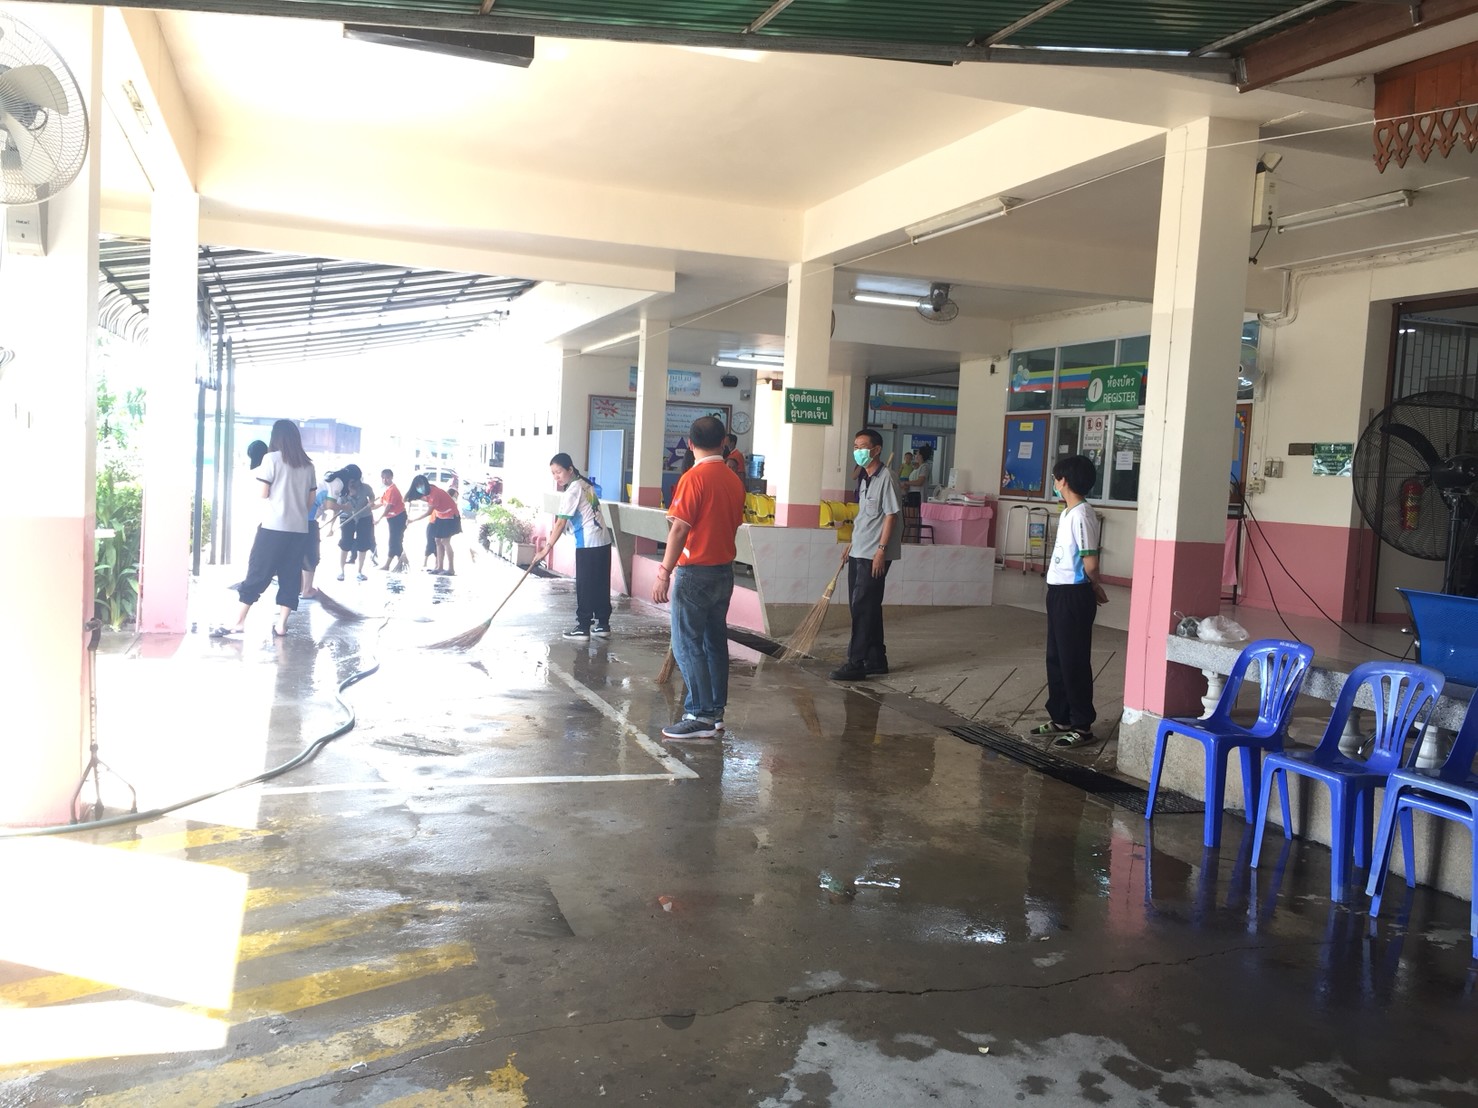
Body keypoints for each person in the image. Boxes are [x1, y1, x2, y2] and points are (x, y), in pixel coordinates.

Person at [652, 415, 745, 741]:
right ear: (723, 443)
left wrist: (664, 572)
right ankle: (715, 713)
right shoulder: (733, 480)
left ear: (690, 444)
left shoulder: (694, 478)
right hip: (723, 572)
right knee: (714, 643)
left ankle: (700, 714)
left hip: (695, 574)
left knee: (687, 644)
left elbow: (679, 528)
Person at [213, 418, 315, 638]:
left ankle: (239, 622)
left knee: (258, 572)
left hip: (273, 527)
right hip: (299, 529)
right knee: (290, 575)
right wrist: (297, 513)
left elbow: (263, 493)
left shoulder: (271, 459)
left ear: (275, 437)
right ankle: (281, 625)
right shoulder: (308, 465)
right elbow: (310, 499)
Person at [1033, 454, 1108, 748]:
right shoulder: (1067, 512)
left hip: (1074, 594)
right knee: (1056, 658)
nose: (1054, 482)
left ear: (1063, 481)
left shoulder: (1082, 514)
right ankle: (1061, 717)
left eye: (1055, 478)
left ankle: (1082, 725)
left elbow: (1090, 562)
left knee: (1073, 660)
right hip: (1058, 591)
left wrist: (1093, 585)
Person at [830, 428, 902, 682]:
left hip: (874, 554)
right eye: (855, 447)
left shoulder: (887, 478)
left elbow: (891, 516)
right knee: (865, 606)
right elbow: (865, 518)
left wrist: (881, 551)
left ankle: (856, 662)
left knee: (862, 607)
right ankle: (876, 659)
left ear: (876, 449)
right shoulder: (865, 478)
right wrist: (852, 543)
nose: (857, 451)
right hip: (860, 549)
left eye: (862, 447)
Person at [534, 453, 614, 639]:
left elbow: (560, 523)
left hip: (588, 542)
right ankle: (603, 624)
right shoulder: (585, 484)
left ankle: (583, 626)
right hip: (603, 540)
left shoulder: (572, 491)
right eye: (553, 473)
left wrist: (546, 549)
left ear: (570, 469)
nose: (556, 477)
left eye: (559, 472)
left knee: (585, 585)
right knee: (601, 583)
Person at [406, 474, 460, 575]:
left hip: (451, 515)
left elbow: (429, 512)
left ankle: (451, 569)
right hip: (441, 516)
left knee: (445, 541)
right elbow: (426, 498)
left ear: (425, 484)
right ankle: (439, 567)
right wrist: (412, 497)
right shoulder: (429, 490)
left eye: (420, 485)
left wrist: (413, 520)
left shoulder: (434, 493)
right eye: (417, 486)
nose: (419, 487)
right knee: (438, 540)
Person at [333, 464, 375, 581]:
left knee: (363, 544)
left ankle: (360, 571)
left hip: (364, 517)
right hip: (347, 518)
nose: (352, 483)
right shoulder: (342, 489)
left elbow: (372, 497)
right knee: (345, 543)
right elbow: (336, 507)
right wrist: (331, 526)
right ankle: (341, 571)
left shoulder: (366, 488)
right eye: (350, 481)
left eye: (355, 480)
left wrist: (371, 502)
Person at [374, 468, 408, 571]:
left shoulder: (393, 490)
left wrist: (379, 519)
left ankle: (388, 564)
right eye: (383, 478)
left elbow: (388, 507)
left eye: (387, 478)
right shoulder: (387, 489)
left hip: (398, 518)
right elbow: (381, 503)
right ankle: (402, 561)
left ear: (392, 477)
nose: (385, 480)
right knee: (396, 541)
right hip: (392, 519)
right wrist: (370, 507)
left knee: (394, 541)